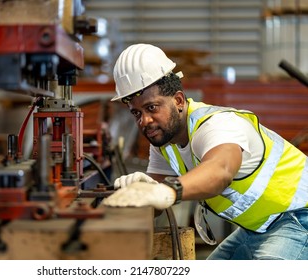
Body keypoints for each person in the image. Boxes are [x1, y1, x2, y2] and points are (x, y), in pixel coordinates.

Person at [103, 43, 308, 260]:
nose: (144, 121)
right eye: (136, 113)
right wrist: (137, 194)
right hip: (257, 228)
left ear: (178, 100)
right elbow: (156, 205)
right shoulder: (164, 144)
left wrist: (166, 191)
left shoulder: (216, 125)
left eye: (152, 108)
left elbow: (220, 171)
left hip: (298, 220)